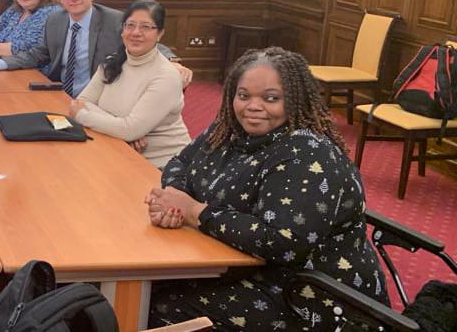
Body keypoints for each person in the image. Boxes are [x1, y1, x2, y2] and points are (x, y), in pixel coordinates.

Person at [145, 47, 388, 330]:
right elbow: (181, 162)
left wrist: (196, 212)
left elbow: (282, 243)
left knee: (156, 302)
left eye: (271, 98)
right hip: (244, 267)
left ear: (295, 100)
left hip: (310, 297)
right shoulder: (230, 127)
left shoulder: (308, 154)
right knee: (148, 284)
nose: (253, 106)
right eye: (243, 95)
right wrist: (176, 199)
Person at [0, 0, 191, 98]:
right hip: (58, 94)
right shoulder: (55, 20)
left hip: (99, 99)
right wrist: (0, 63)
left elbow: (146, 40)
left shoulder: (114, 20)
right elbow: (38, 54)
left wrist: (172, 61)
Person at [68, 0, 190, 168]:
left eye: (145, 27)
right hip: (116, 147)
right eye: (130, 25)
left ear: (160, 34)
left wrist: (82, 116)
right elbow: (82, 102)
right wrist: (122, 131)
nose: (136, 32)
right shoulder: (112, 62)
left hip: (161, 165)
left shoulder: (166, 76)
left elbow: (128, 129)